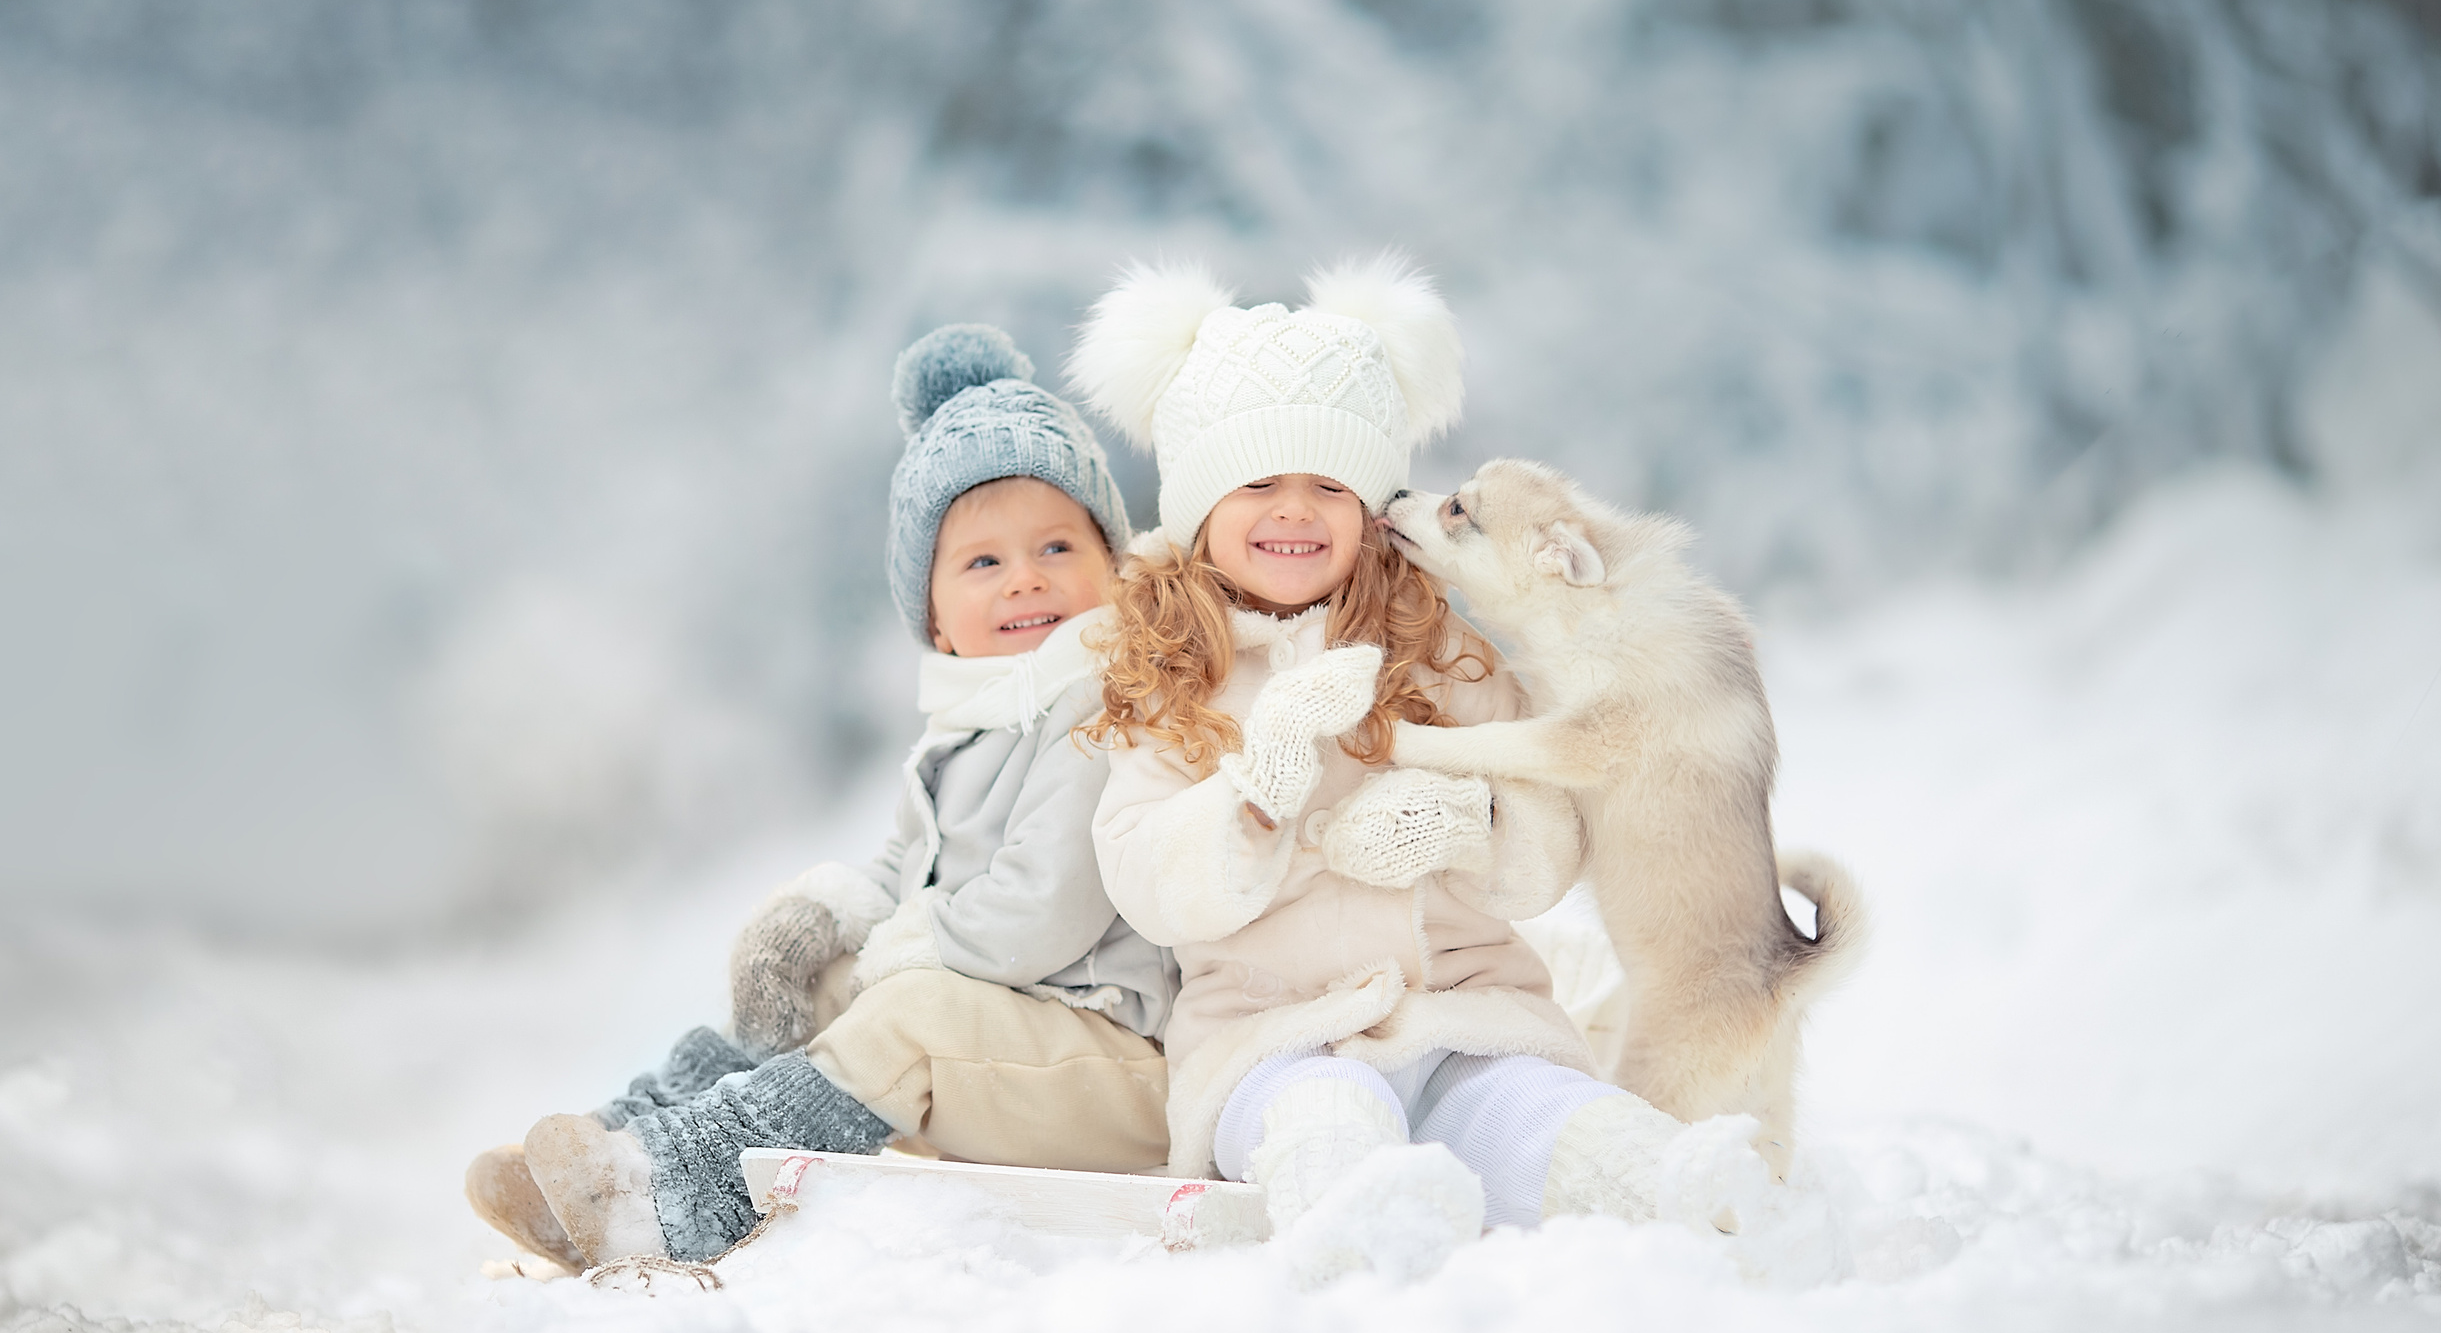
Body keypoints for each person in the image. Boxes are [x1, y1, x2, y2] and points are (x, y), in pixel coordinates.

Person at [1072, 254, 1746, 1281]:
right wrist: (1254, 799)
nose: (1294, 511)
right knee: (1325, 1116)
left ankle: (1699, 1207)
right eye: (1258, 483)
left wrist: (1468, 826)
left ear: (1371, 502)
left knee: (1541, 1115)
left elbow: (1542, 850)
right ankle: (1371, 1240)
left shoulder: (1441, 650)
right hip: (1271, 1035)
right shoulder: (1171, 678)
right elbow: (1143, 871)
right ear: (1201, 506)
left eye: (1328, 486)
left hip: (1464, 1010)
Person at [465, 324, 1177, 1270]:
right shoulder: (974, 720)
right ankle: (622, 1149)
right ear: (934, 614)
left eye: (1056, 545)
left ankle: (676, 1195)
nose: (1027, 578)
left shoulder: (1102, 701)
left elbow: (1044, 912)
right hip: (1021, 1046)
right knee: (826, 982)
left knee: (907, 1012)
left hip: (1114, 1066)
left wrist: (901, 951)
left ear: (1112, 564)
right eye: (983, 562)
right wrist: (826, 917)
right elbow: (903, 868)